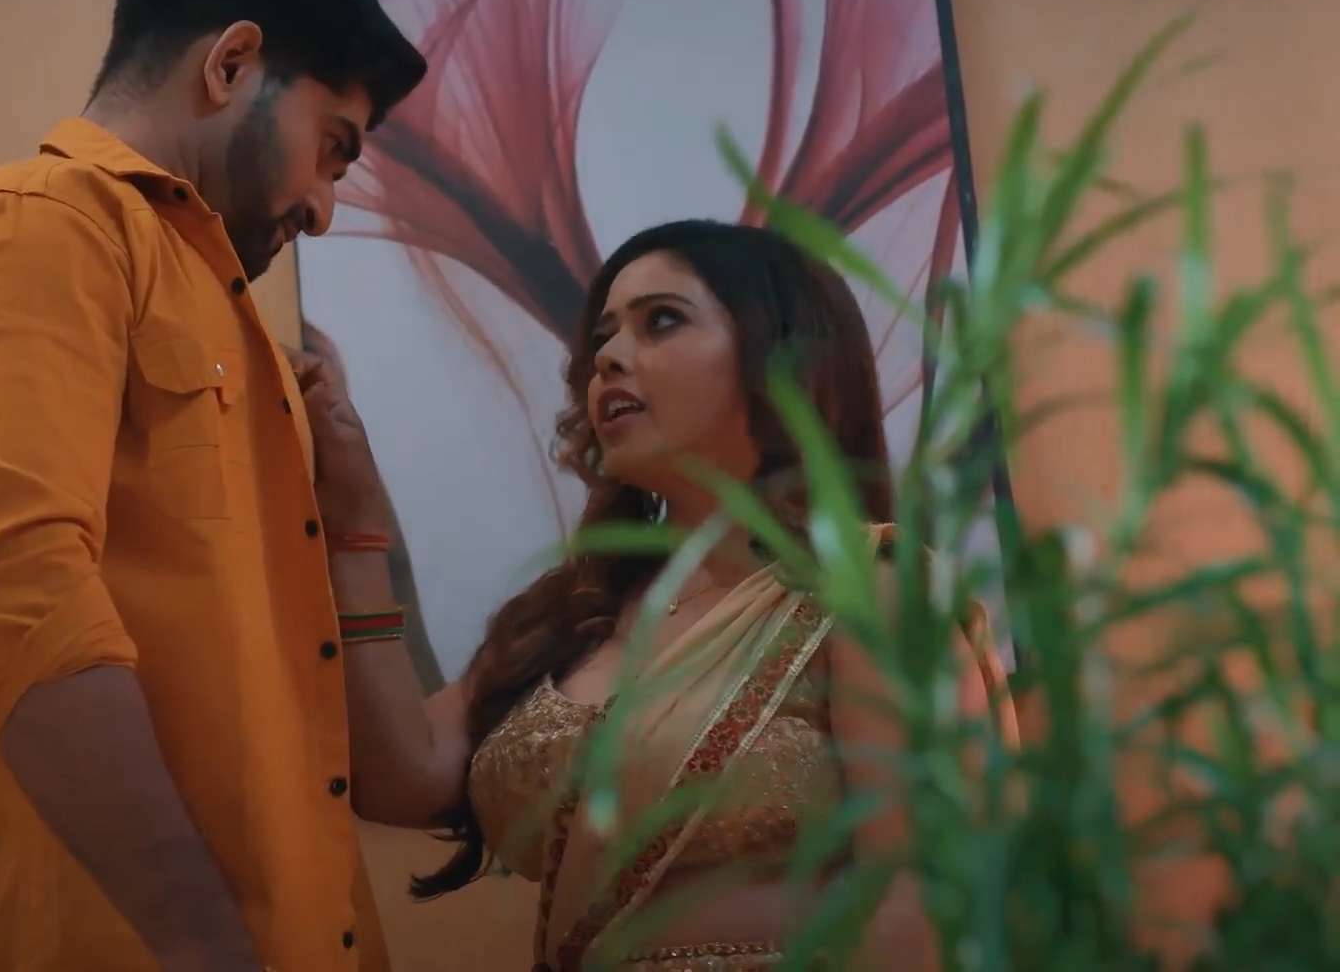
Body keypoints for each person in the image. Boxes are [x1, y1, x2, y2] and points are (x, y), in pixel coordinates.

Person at [0, 0, 425, 971]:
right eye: (332, 150)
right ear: (232, 63)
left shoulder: (228, 312)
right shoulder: (32, 226)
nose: (323, 207)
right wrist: (201, 942)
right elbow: (19, 599)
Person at [299, 220, 1019, 970]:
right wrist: (355, 536)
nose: (608, 357)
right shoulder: (571, 613)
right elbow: (401, 780)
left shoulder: (870, 588)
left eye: (662, 321)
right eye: (602, 337)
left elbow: (923, 897)